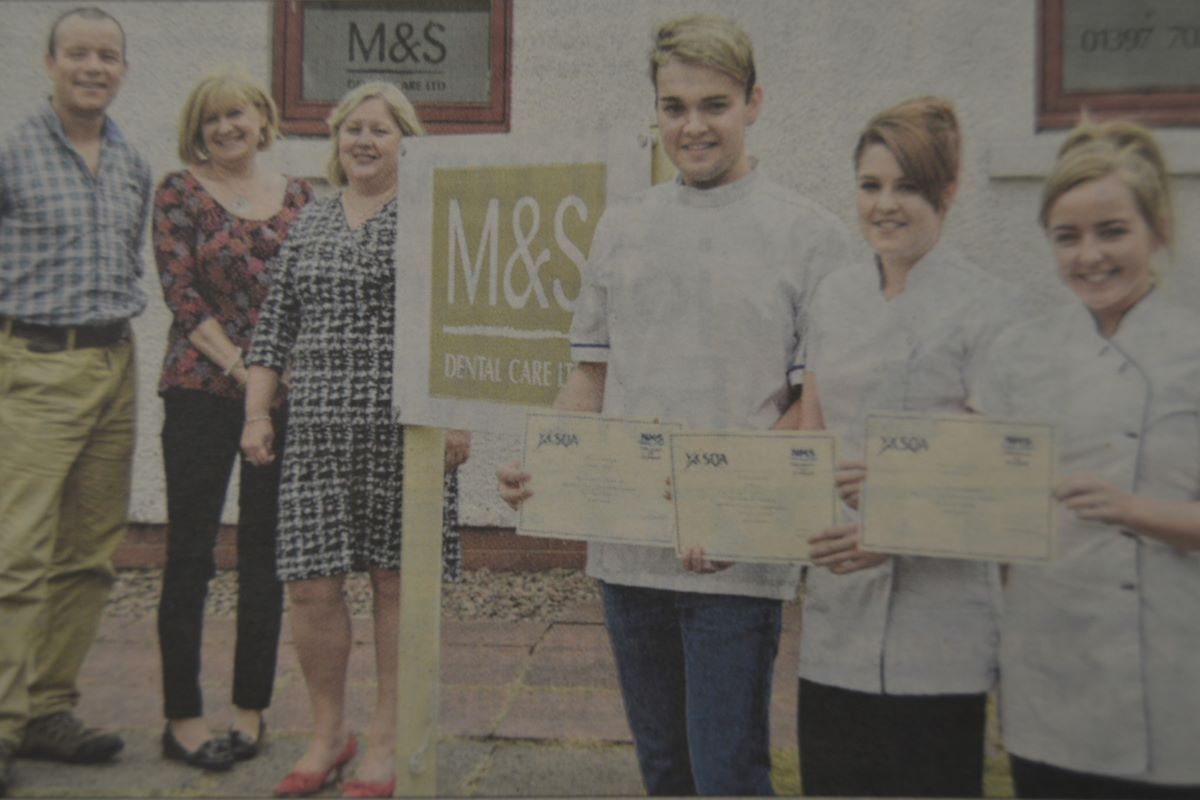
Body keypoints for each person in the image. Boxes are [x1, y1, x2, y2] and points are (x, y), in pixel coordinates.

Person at [498, 15, 849, 796]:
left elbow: (809, 409)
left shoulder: (809, 237)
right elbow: (589, 377)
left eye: (714, 104)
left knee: (728, 773)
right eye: (674, 106)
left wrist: (737, 508)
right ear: (655, 111)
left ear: (754, 103)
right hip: (630, 550)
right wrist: (545, 466)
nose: (693, 126)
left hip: (733, 559)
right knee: (664, 769)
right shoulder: (623, 227)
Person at [241, 81, 470, 799]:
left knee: (397, 586)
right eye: (352, 130)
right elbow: (275, 324)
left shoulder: (432, 214)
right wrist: (257, 413)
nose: (364, 142)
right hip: (316, 435)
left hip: (406, 430)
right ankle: (327, 733)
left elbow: (459, 319)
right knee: (311, 587)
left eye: (380, 130)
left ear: (407, 140)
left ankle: (387, 739)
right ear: (336, 141)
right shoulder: (308, 218)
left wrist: (458, 414)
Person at [785, 97, 1018, 797]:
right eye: (870, 185)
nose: (885, 205)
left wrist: (893, 527)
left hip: (939, 626)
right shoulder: (831, 299)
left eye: (907, 186)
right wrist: (733, 515)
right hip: (838, 618)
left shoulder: (989, 308)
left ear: (947, 191)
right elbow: (810, 440)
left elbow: (1001, 474)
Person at [974, 119, 1200, 799]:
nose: (1090, 256)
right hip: (1051, 676)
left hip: (1172, 678)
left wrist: (1136, 511)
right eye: (1067, 238)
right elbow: (981, 493)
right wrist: (900, 485)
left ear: (1157, 230)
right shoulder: (1019, 355)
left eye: (1112, 232)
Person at [0, 6, 151, 795]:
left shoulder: (131, 160)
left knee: (89, 555)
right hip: (34, 362)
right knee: (16, 556)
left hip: (112, 362)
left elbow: (126, 261)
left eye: (108, 55)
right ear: (50, 62)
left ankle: (46, 710)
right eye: (79, 54)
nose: (94, 67)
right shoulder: (11, 150)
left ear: (123, 69)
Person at [152, 68, 315, 772]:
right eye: (212, 118)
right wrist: (244, 372)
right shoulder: (179, 192)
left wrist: (273, 384)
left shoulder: (302, 196)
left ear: (262, 118)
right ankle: (182, 716)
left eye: (238, 115)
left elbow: (311, 294)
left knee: (264, 559)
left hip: (278, 405)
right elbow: (182, 299)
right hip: (200, 391)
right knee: (189, 556)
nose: (226, 128)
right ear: (199, 127)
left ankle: (250, 709)